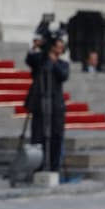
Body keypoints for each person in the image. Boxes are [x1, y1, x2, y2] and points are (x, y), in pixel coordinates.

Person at [25, 35, 70, 173]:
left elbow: (63, 75)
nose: (60, 49)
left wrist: (54, 62)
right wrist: (35, 47)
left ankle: (54, 168)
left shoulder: (62, 64)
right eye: (57, 46)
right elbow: (30, 60)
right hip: (39, 103)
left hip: (55, 105)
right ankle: (37, 168)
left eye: (62, 47)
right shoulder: (40, 60)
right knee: (38, 136)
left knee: (56, 135)